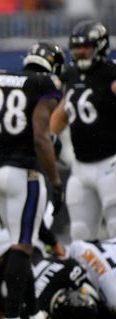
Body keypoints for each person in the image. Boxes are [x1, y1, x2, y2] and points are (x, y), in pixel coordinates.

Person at [0, 40, 66, 319]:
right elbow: (41, 137)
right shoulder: (46, 84)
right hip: (25, 174)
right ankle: (13, 315)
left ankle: (33, 313)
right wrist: (55, 181)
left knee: (20, 242)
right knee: (23, 247)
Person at [49, 20, 116, 241]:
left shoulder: (110, 73)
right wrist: (46, 137)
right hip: (80, 165)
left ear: (100, 46)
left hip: (110, 162)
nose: (80, 52)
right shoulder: (70, 75)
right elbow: (63, 112)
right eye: (77, 47)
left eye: (85, 46)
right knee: (80, 235)